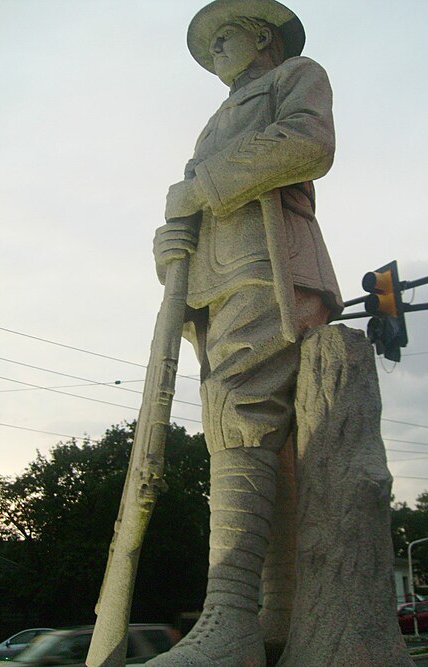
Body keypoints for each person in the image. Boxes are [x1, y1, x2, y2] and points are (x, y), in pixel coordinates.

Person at [149, 1, 342, 664]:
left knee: (243, 419)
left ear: (261, 36)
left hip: (268, 267)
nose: (215, 56)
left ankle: (230, 615)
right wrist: (169, 244)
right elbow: (193, 206)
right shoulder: (214, 122)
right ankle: (275, 618)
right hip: (214, 283)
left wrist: (201, 186)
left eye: (222, 40)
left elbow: (309, 145)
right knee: (255, 442)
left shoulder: (297, 76)